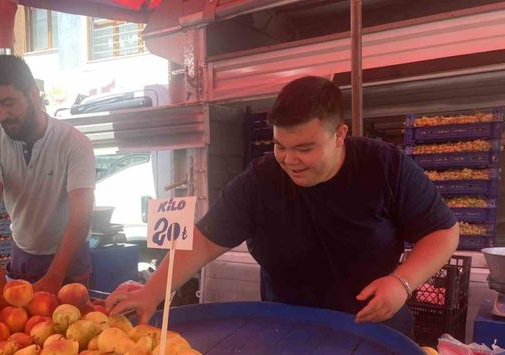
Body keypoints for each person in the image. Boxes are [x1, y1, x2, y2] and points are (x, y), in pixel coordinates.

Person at [106, 76, 459, 336]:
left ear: (340, 135)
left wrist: (402, 282)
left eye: (305, 148)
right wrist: (152, 291)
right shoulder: (260, 181)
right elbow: (204, 241)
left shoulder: (386, 167)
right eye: (280, 145)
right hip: (287, 330)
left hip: (373, 329)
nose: (290, 160)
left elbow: (443, 232)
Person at [0, 55, 95, 294]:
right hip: (23, 253)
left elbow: (81, 214)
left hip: (70, 255)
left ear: (33, 94)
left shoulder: (74, 143)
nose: (2, 115)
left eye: (9, 102)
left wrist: (56, 275)